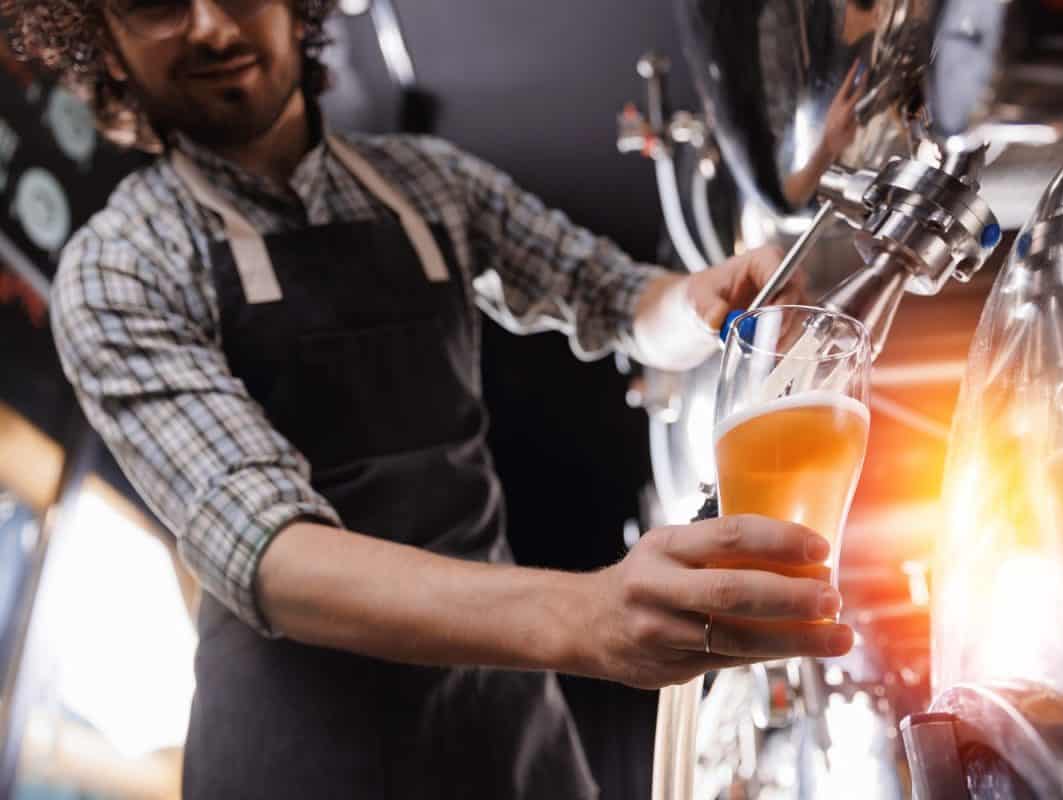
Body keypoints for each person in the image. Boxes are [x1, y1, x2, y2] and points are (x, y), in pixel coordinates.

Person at [2, 0, 853, 796]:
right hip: (299, 757)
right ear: (98, 37)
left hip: (509, 730)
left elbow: (617, 300)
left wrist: (700, 302)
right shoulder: (121, 266)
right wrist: (591, 616)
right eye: (154, 1)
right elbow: (275, 557)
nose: (213, 25)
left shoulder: (429, 185)